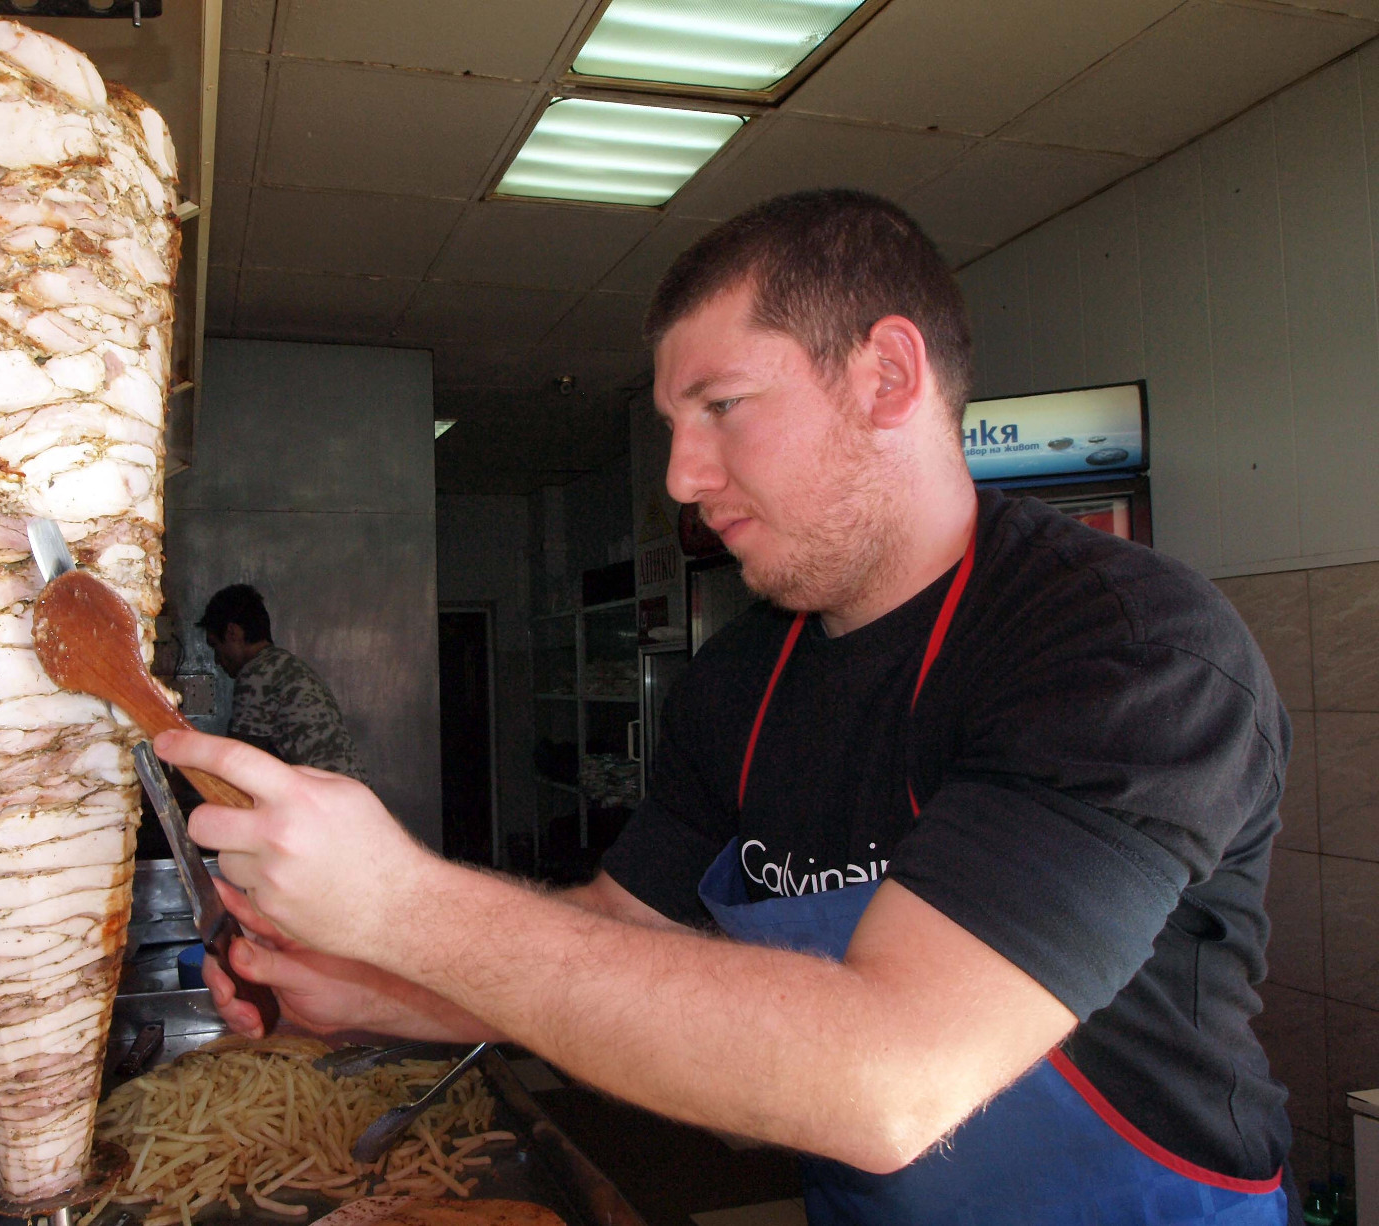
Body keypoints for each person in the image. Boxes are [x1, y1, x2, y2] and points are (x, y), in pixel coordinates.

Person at [157, 191, 1295, 1225]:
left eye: (722, 406)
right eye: (672, 423)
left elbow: (889, 1072)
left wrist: (403, 903)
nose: (681, 476)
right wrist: (369, 984)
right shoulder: (745, 675)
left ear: (886, 376)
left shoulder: (1120, 652)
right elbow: (620, 938)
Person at [196, 583, 368, 782]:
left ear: (233, 633)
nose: (217, 660)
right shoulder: (285, 665)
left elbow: (238, 762)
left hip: (328, 803)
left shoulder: (257, 673)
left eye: (215, 646)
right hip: (351, 796)